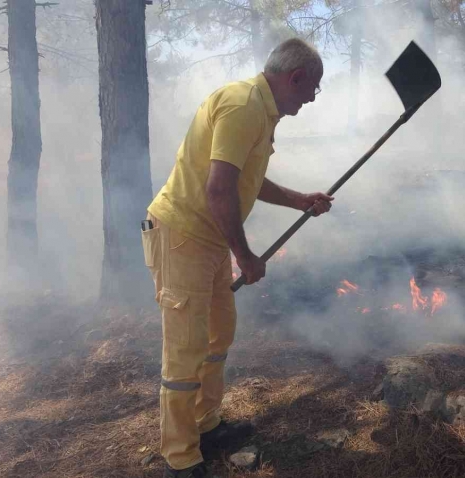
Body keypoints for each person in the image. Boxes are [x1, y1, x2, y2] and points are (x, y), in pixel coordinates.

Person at [141, 38, 333, 478]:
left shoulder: (261, 113)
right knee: (186, 349)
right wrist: (244, 255)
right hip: (182, 237)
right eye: (312, 88)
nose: (311, 98)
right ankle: (180, 455)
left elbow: (250, 178)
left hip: (204, 241)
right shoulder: (245, 105)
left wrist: (301, 199)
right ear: (295, 77)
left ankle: (206, 427)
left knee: (216, 338)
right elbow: (218, 188)